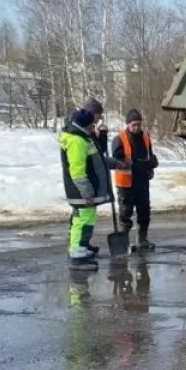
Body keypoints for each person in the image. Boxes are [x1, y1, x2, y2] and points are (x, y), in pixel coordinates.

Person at [61, 107, 127, 271]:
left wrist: (115, 163)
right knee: (82, 221)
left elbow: (97, 160)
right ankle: (77, 255)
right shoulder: (77, 141)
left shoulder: (83, 138)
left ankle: (82, 248)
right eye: (91, 124)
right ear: (84, 125)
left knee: (87, 219)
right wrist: (87, 192)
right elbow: (77, 171)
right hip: (81, 192)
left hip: (85, 191)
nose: (94, 127)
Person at [111, 108, 160, 252]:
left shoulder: (146, 137)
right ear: (128, 124)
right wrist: (125, 161)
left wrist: (151, 164)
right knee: (125, 213)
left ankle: (142, 240)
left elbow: (149, 154)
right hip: (125, 183)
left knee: (144, 212)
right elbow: (115, 159)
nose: (136, 127)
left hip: (142, 181)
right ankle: (123, 242)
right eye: (134, 125)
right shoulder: (119, 138)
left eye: (139, 124)